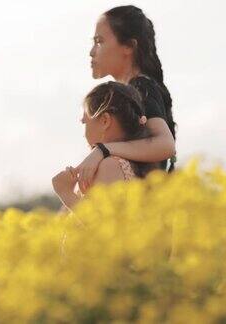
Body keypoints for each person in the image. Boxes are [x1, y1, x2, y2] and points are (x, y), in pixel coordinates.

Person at [76, 5, 177, 194]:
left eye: (99, 41)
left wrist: (103, 150)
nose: (92, 51)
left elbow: (165, 145)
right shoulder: (134, 90)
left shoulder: (141, 88)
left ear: (129, 46)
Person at [52, 81, 157, 213]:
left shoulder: (110, 165)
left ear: (104, 121)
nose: (83, 133)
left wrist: (65, 193)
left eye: (85, 122)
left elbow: (101, 228)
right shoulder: (128, 163)